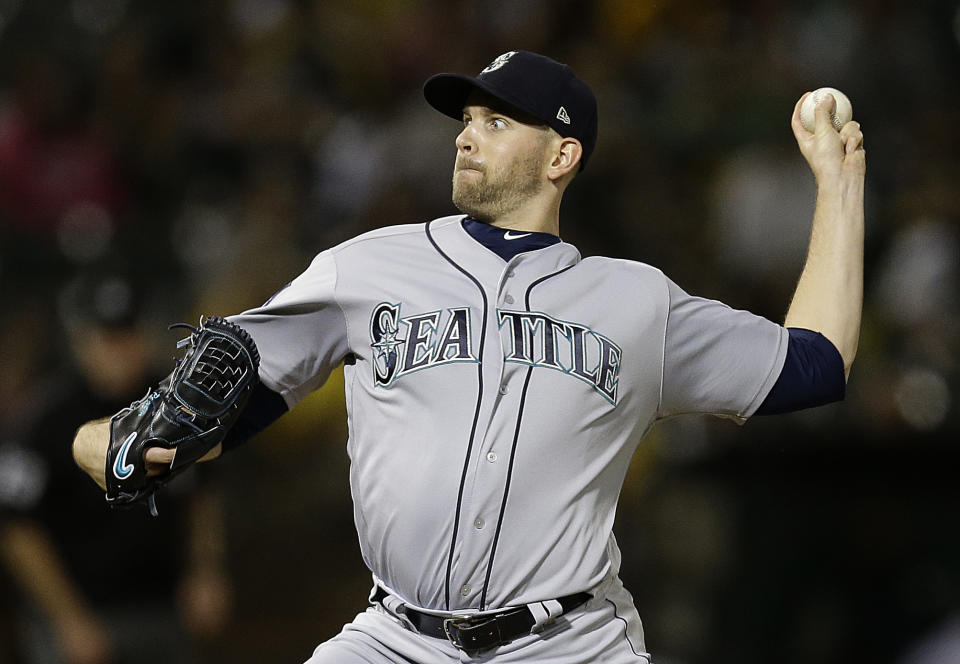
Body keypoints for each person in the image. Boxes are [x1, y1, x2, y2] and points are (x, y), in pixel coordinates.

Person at [72, 50, 865, 663]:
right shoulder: (365, 268)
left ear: (561, 157)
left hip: (571, 640)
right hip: (396, 639)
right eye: (467, 119)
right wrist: (110, 445)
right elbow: (203, 412)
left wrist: (839, 181)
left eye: (495, 122)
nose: (465, 134)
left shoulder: (637, 301)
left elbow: (816, 365)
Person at [1, 270, 230, 664]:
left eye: (128, 334)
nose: (118, 350)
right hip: (82, 614)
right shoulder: (45, 419)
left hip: (162, 608)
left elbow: (202, 494)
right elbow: (17, 526)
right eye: (106, 337)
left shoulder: (178, 406)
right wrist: (67, 618)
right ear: (80, 342)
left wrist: (206, 571)